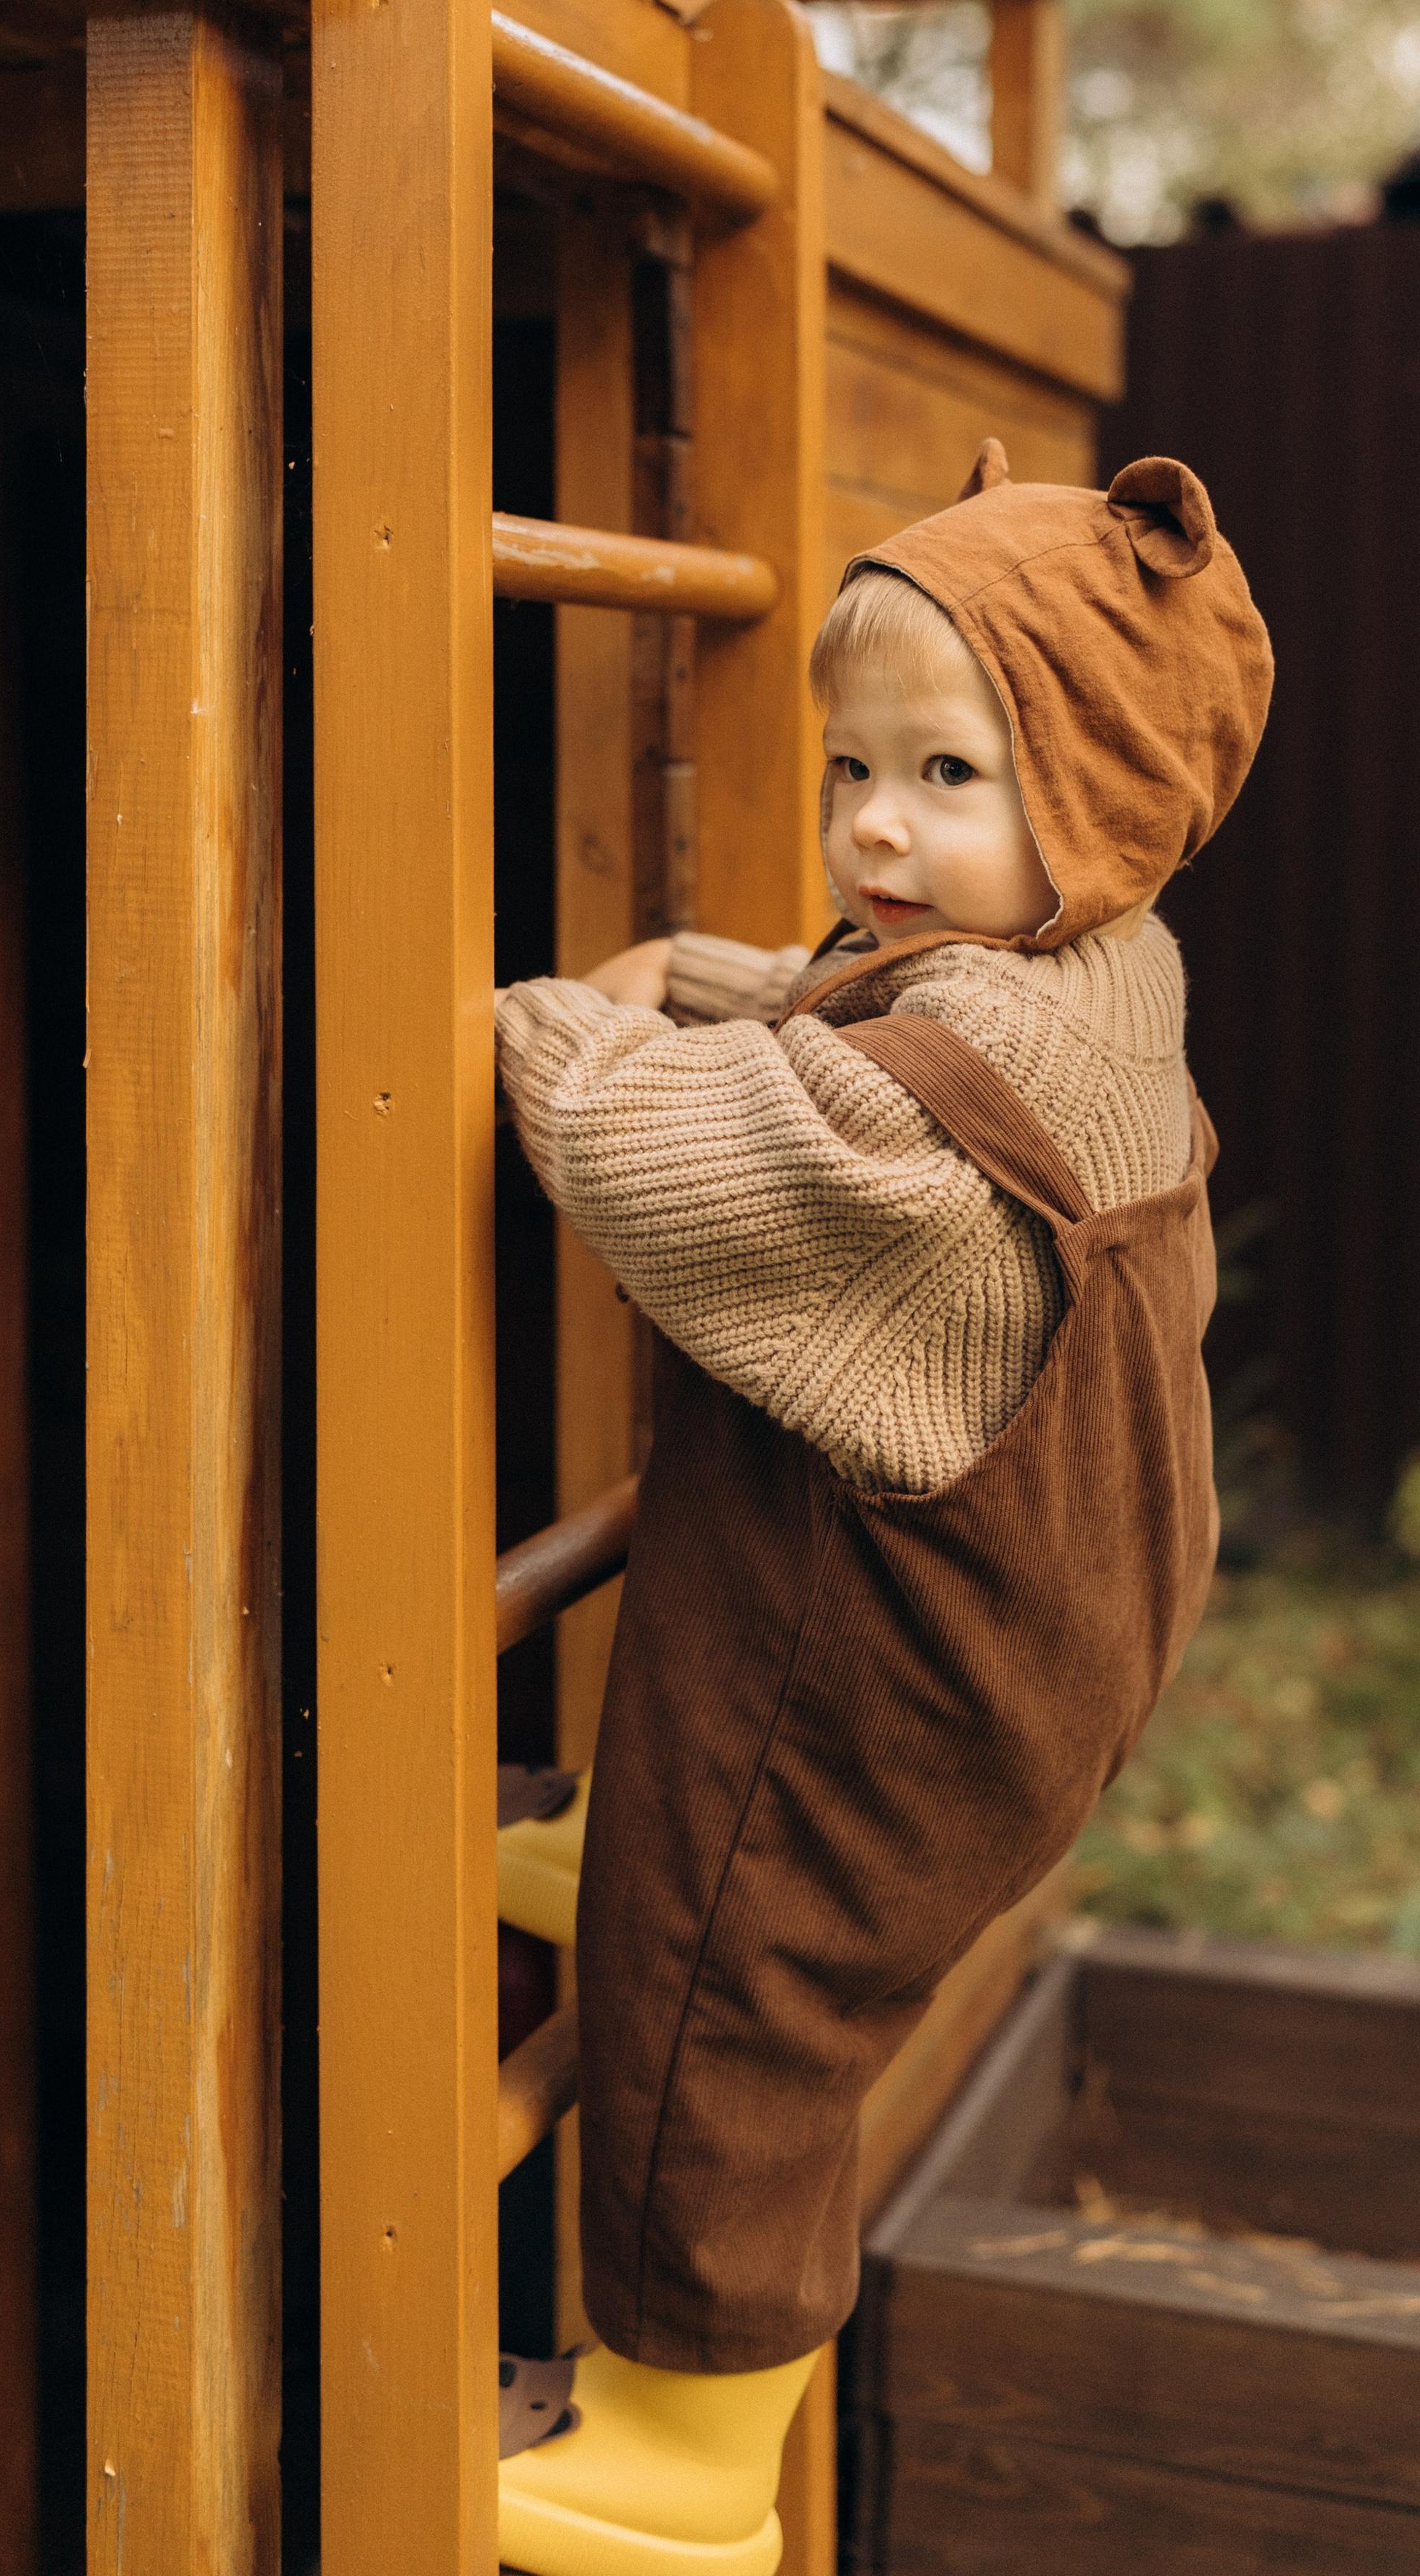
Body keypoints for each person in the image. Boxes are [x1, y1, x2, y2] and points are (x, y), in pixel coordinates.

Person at [492, 445, 1273, 2576]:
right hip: (1062, 1610)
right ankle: (617, 1838)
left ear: (1103, 801)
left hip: (913, 1680)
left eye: (951, 772)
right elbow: (890, 1018)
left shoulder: (913, 1172)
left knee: (732, 2022)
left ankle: (675, 2456)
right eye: (855, 766)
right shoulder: (1106, 969)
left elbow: (694, 1156)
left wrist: (547, 1034)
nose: (876, 828)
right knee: (724, 1796)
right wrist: (737, 975)